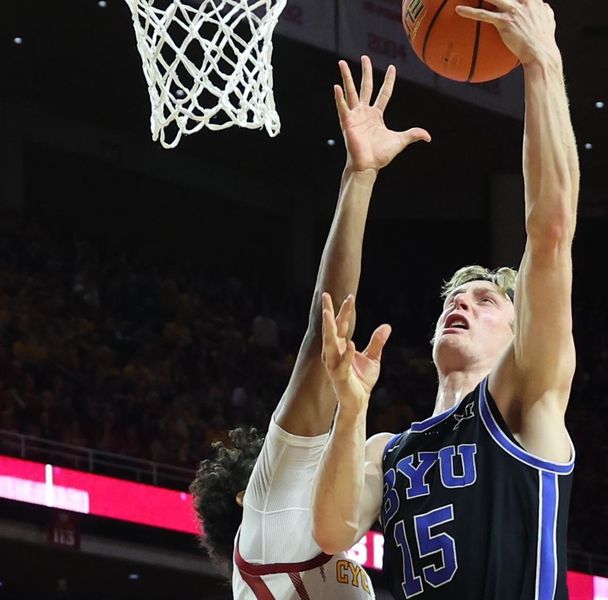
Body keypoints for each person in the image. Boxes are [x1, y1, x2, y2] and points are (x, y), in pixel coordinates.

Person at [312, 1, 580, 598]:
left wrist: (543, 64)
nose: (462, 304)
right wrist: (350, 411)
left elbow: (552, 230)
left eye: (486, 300)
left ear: (521, 331)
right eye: (454, 299)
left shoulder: (523, 396)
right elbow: (331, 532)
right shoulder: (391, 449)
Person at [189, 56, 430, 599]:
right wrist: (359, 176)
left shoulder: (290, 545)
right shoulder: (270, 507)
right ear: (249, 494)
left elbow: (375, 452)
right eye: (304, 450)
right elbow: (326, 337)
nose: (312, 445)